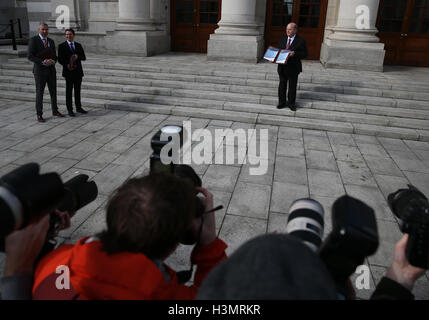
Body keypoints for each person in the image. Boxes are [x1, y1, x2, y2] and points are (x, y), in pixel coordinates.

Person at [31, 173, 227, 299]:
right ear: (173, 246)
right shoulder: (160, 293)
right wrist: (209, 243)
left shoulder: (54, 262)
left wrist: (49, 231)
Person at [28, 23, 65, 123]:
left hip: (51, 70)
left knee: (53, 91)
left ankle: (55, 110)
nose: (45, 31)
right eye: (43, 29)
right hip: (40, 71)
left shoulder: (51, 41)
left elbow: (55, 56)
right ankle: (39, 114)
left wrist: (52, 61)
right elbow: (30, 56)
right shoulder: (34, 40)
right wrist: (43, 62)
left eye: (46, 30)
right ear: (39, 30)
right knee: (40, 92)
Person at [276, 22, 308, 111]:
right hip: (282, 67)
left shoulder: (300, 40)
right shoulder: (282, 39)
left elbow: (305, 54)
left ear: (295, 30)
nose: (287, 31)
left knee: (292, 86)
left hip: (293, 68)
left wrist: (294, 53)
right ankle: (281, 102)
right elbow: (279, 50)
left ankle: (291, 103)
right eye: (286, 29)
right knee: (282, 85)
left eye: (289, 29)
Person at [57, 28, 88, 117]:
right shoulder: (61, 46)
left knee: (77, 91)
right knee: (69, 91)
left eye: (70, 34)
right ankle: (70, 109)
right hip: (68, 72)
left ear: (73, 35)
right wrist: (67, 64)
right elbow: (60, 59)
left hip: (78, 72)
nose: (68, 36)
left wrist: (77, 56)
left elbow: (84, 57)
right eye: (66, 34)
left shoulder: (78, 45)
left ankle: (79, 107)